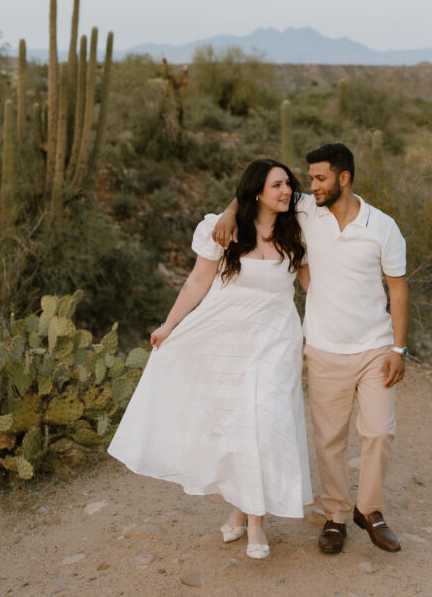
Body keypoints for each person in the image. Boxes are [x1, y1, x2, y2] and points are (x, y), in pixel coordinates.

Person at [108, 158, 313, 560]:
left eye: (288, 183)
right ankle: (247, 513)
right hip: (228, 337)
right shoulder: (223, 231)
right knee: (240, 423)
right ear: (256, 191)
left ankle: (251, 519)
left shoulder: (299, 225)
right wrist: (169, 325)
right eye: (276, 185)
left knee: (264, 419)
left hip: (276, 338)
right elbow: (198, 281)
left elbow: (313, 286)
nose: (286, 191)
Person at [213, 142, 409, 555]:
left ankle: (370, 510)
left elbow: (398, 288)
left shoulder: (383, 227)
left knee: (378, 431)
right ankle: (337, 515)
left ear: (344, 178)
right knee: (329, 439)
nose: (310, 187)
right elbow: (257, 188)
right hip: (322, 347)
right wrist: (230, 212)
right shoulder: (306, 209)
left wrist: (399, 348)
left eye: (320, 179)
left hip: (375, 347)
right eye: (310, 180)